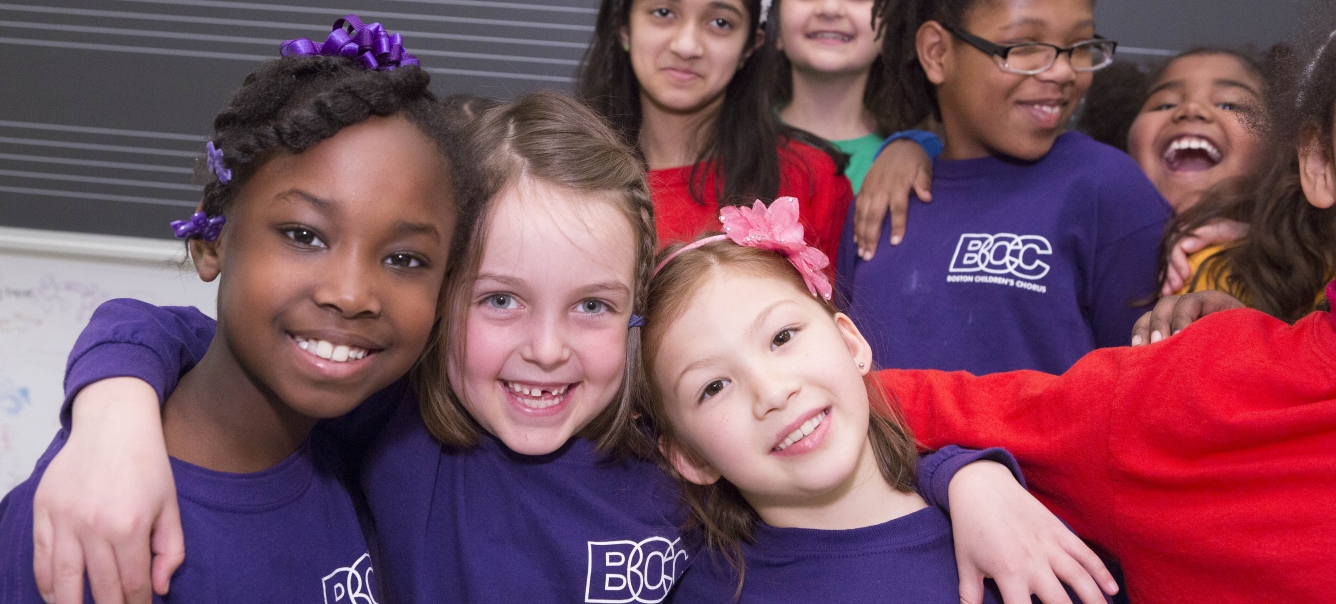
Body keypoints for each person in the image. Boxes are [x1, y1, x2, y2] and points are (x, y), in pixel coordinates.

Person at [24, 92, 1116, 604]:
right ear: (438, 294)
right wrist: (112, 406)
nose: (546, 352)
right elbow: (211, 341)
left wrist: (964, 476)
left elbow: (830, 417)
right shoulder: (389, 422)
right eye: (499, 299)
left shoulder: (677, 436)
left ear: (635, 317)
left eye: (594, 308)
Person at [0, 16, 459, 603]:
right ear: (211, 238)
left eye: (404, 259)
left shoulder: (359, 438)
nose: (350, 294)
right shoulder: (97, 522)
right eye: (304, 235)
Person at [640, 200, 1110, 603]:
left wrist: (969, 474)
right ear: (689, 456)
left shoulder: (1012, 536)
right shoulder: (698, 587)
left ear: (851, 343)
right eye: (714, 386)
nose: (773, 392)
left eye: (782, 336)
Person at [836, 0, 1172, 376]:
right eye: (1025, 47)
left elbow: (1146, 384)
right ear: (937, 53)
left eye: (1079, 47)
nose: (1062, 71)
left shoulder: (1107, 188)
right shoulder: (885, 197)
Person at [577, 0, 853, 264]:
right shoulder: (565, 175)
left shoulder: (810, 181)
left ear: (749, 47)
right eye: (663, 12)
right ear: (624, 26)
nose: (686, 46)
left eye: (720, 23)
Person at [1150, 32, 1336, 320]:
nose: (1191, 109)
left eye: (1229, 104)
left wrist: (1265, 233)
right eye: (1164, 104)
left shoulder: (1311, 260)